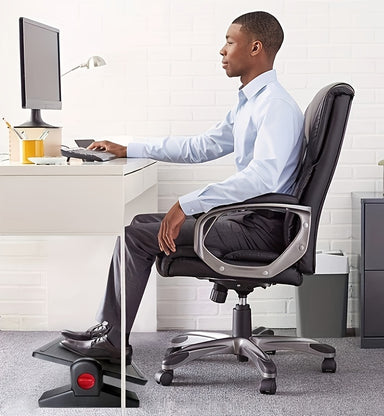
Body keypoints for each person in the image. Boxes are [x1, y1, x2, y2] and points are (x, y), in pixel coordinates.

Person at [60, 11, 304, 364]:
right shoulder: (252, 102)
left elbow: (262, 178)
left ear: (255, 47)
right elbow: (201, 147)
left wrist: (187, 204)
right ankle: (106, 330)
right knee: (142, 225)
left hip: (260, 229)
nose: (222, 51)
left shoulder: (275, 106)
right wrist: (130, 148)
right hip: (249, 221)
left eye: (230, 42)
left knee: (136, 233)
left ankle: (110, 340)